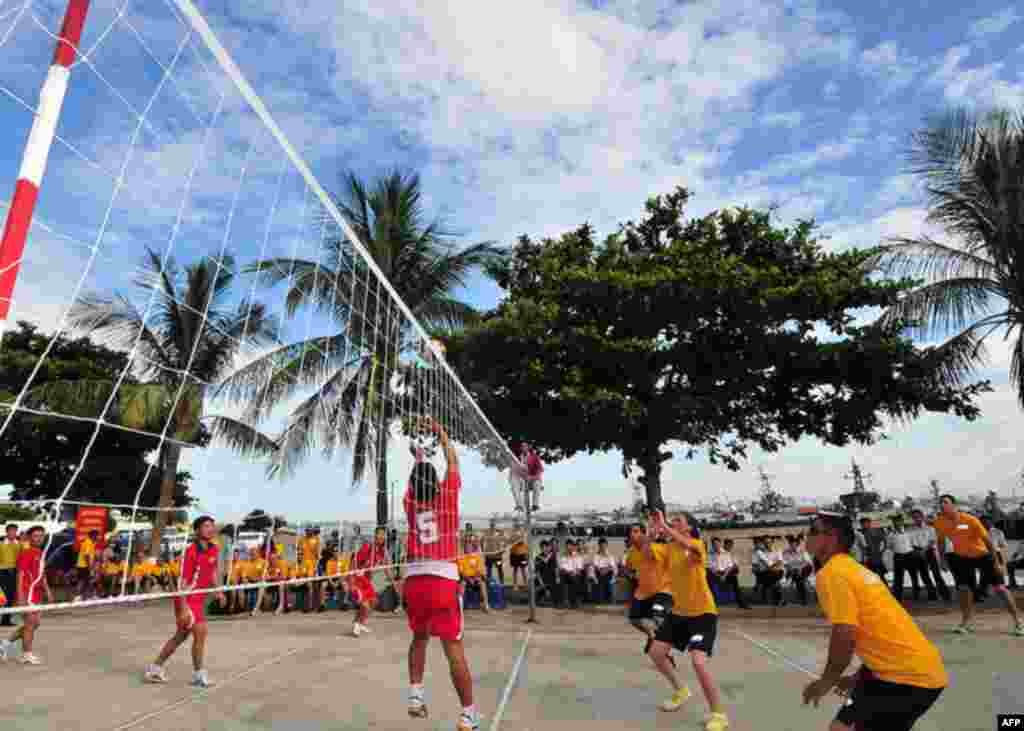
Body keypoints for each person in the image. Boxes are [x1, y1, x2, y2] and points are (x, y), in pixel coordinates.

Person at [802, 512, 946, 730]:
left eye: (813, 530)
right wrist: (857, 678)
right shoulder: (852, 568)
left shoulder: (832, 574)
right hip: (893, 671)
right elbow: (878, 629)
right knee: (840, 727)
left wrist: (826, 681)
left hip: (907, 679)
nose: (807, 536)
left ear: (830, 538)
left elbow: (844, 634)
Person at [401, 416, 479, 731]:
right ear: (434, 483)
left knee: (419, 637)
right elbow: (453, 462)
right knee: (453, 648)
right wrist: (441, 433)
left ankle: (416, 695)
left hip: (415, 582)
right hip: (442, 581)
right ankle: (468, 713)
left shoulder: (410, 504)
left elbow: (414, 484)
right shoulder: (447, 498)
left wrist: (418, 460)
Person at [647, 511, 729, 731]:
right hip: (679, 613)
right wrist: (651, 532)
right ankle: (681, 690)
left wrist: (664, 526)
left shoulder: (696, 544)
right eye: (672, 520)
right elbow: (649, 553)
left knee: (698, 662)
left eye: (678, 521)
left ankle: (719, 714)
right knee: (656, 653)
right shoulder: (669, 548)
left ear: (689, 527)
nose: (673, 523)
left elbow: (689, 547)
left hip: (702, 614)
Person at [144, 516, 224, 687]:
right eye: (206, 526)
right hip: (187, 598)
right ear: (197, 530)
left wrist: (218, 591)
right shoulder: (191, 552)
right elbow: (183, 582)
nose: (211, 529)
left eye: (212, 526)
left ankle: (155, 668)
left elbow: (212, 572)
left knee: (180, 636)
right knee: (201, 633)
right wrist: (184, 607)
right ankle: (199, 674)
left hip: (199, 598)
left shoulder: (214, 549)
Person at [933, 495, 1023, 635]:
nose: (942, 505)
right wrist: (942, 560)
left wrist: (997, 563)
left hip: (982, 556)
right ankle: (965, 623)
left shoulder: (970, 520)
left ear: (954, 505)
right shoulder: (939, 522)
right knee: (964, 589)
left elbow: (988, 542)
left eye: (945, 502)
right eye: (940, 503)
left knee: (1000, 588)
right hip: (962, 558)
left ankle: (1018, 622)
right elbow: (940, 541)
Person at [0, 526, 52, 664]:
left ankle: (5, 643)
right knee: (30, 624)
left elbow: (42, 573)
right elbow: (20, 575)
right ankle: (26, 654)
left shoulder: (40, 552)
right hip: (27, 594)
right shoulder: (26, 553)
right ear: (29, 538)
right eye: (36, 536)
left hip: (37, 594)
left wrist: (47, 590)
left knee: (35, 624)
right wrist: (21, 596)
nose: (39, 538)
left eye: (41, 535)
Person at [623, 522, 674, 657]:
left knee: (657, 614)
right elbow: (628, 569)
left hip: (662, 589)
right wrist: (631, 574)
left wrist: (651, 536)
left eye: (635, 531)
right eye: (630, 532)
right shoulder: (632, 552)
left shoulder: (655, 547)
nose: (632, 534)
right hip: (643, 591)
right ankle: (652, 636)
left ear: (643, 533)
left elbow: (650, 553)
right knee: (634, 619)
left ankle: (664, 648)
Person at [350, 528, 387, 636]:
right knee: (365, 605)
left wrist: (393, 580)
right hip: (358, 578)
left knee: (374, 602)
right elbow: (354, 561)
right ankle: (356, 625)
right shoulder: (367, 547)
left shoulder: (381, 551)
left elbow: (385, 566)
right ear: (375, 535)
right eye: (379, 534)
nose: (382, 537)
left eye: (383, 535)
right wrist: (351, 580)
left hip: (366, 581)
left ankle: (360, 623)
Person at [905, 510, 942, 601]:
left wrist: (924, 550)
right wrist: (917, 551)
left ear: (923, 517)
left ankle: (944, 594)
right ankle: (932, 594)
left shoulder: (930, 528)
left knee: (936, 573)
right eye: (914, 517)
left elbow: (933, 541)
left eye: (918, 516)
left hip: (929, 552)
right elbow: (909, 543)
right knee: (924, 575)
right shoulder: (910, 530)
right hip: (917, 553)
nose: (917, 519)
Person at [458, 535, 489, 613]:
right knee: (462, 585)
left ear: (472, 548)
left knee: (482, 584)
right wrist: (468, 579)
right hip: (466, 578)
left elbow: (479, 569)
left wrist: (476, 577)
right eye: (466, 547)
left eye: (470, 547)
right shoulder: (461, 558)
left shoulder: (477, 557)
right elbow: (461, 571)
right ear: (464, 549)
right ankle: (460, 607)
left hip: (476, 577)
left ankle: (486, 604)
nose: (468, 548)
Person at [0, 524, 22, 627]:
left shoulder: (19, 544)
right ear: (7, 532)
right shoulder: (1, 544)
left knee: (11, 596)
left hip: (15, 572)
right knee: (3, 596)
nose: (13, 533)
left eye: (15, 531)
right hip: (3, 572)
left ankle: (6, 619)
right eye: (11, 531)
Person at [783, 534, 813, 606]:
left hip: (802, 572)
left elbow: (809, 563)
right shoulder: (786, 552)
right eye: (791, 544)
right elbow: (785, 564)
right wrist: (793, 568)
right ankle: (802, 600)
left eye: (795, 544)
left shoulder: (803, 552)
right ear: (790, 544)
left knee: (799, 579)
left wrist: (800, 568)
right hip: (791, 572)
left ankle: (802, 600)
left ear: (797, 544)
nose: (793, 546)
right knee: (797, 579)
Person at [857, 518, 888, 586]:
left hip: (876, 558)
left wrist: (881, 552)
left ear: (869, 523)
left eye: (866, 523)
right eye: (862, 523)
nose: (864, 525)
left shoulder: (876, 531)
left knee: (880, 576)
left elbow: (884, 541)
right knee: (869, 578)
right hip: (866, 559)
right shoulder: (860, 533)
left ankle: (886, 591)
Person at [73, 529, 100, 603]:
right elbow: (86, 556)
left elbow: (91, 554)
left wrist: (95, 559)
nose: (98, 537)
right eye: (97, 535)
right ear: (93, 535)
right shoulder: (88, 543)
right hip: (83, 565)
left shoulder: (90, 542)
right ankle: (77, 596)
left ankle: (88, 596)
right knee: (83, 581)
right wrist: (89, 567)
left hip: (84, 565)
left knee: (88, 581)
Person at [299, 527, 323, 613]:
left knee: (316, 585)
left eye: (309, 531)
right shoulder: (302, 539)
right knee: (308, 585)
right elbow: (300, 552)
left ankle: (316, 605)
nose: (308, 532)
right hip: (304, 565)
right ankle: (309, 606)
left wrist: (316, 566)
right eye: (306, 531)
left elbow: (318, 554)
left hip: (313, 565)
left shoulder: (316, 539)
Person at [589, 537, 617, 603]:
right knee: (600, 577)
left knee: (606, 578)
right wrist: (601, 570)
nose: (603, 547)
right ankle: (601, 598)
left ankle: (607, 598)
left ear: (606, 545)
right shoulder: (596, 555)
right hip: (599, 572)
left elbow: (612, 566)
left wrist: (606, 570)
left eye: (604, 545)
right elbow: (595, 566)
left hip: (608, 572)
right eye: (601, 545)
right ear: (599, 546)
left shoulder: (610, 555)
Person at [481, 522, 505, 587]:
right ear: (490, 525)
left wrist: (503, 549)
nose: (492, 526)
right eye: (491, 525)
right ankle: (488, 583)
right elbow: (481, 540)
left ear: (495, 525)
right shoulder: (486, 532)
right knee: (489, 570)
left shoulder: (499, 533)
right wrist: (483, 550)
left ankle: (502, 583)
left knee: (500, 569)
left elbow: (504, 541)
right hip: (489, 556)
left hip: (498, 556)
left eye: (493, 525)